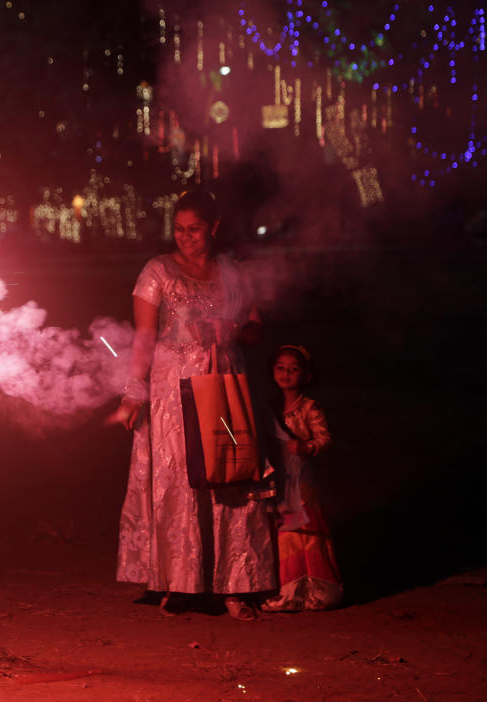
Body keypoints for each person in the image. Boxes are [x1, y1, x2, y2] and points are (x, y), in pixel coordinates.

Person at [114, 190, 276, 621]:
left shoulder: (232, 272)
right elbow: (145, 336)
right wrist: (134, 392)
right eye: (180, 230)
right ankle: (178, 583)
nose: (186, 238)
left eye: (195, 230)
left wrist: (232, 329)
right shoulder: (157, 271)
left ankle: (236, 584)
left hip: (224, 382)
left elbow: (257, 328)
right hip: (174, 387)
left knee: (230, 477)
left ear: (214, 229)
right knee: (180, 480)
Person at [261, 345, 343, 611]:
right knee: (283, 534)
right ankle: (287, 591)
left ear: (307, 376)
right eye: (280, 368)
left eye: (293, 369)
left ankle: (317, 592)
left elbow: (325, 439)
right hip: (278, 482)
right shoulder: (268, 407)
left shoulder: (309, 408)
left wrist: (307, 446)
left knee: (306, 535)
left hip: (303, 485)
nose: (286, 373)